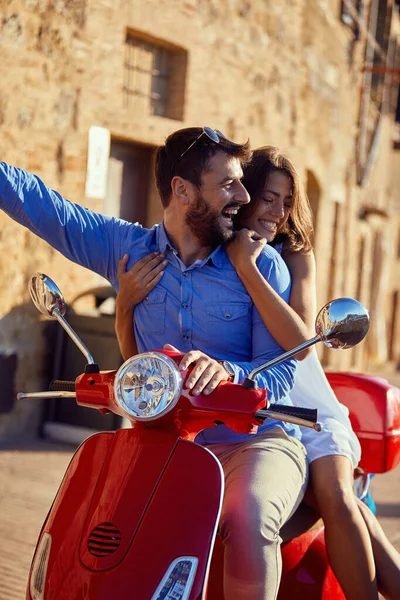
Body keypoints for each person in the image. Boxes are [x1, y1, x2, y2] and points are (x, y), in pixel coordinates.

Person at [0, 128, 308, 600]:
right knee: (91, 521)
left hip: (252, 444)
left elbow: (283, 367)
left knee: (249, 514)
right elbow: (45, 206)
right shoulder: (128, 250)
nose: (243, 197)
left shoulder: (261, 265)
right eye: (228, 185)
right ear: (182, 191)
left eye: (242, 184)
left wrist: (231, 372)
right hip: (161, 447)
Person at [115, 145, 400, 600]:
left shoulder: (290, 253)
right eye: (268, 197)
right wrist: (126, 304)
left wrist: (249, 269)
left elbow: (301, 342)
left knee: (337, 498)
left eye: (286, 201)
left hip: (303, 405)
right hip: (244, 412)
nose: (277, 211)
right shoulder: (210, 249)